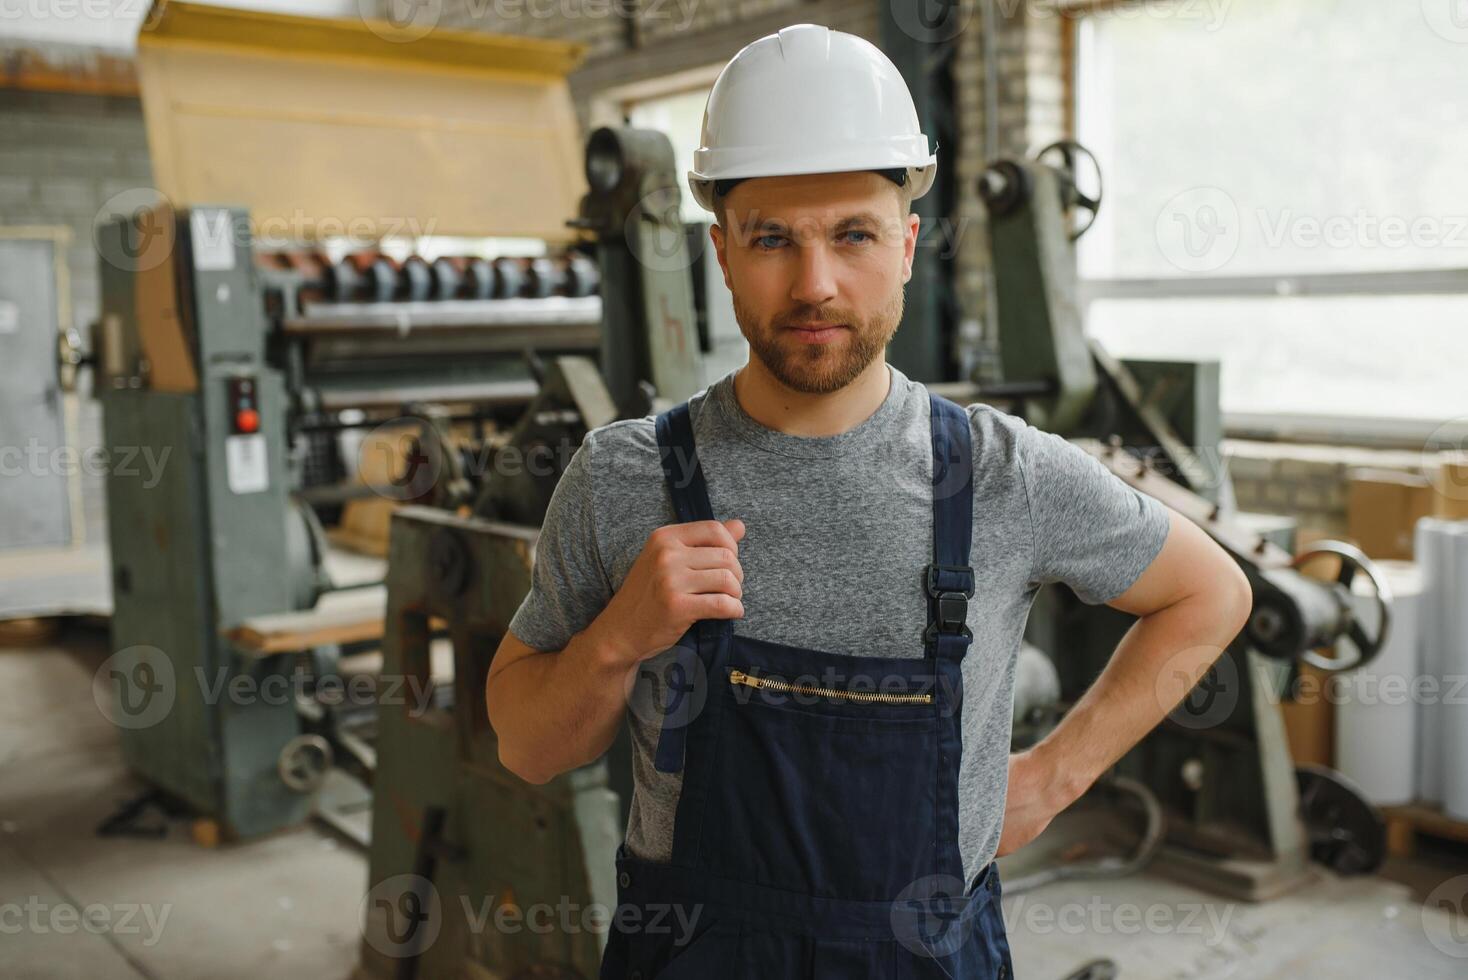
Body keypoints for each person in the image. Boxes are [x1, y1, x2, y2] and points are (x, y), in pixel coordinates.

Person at [486, 23, 1252, 979]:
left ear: (908, 245)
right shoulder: (622, 476)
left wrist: (1055, 777)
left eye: (853, 235)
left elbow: (1212, 593)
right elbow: (526, 749)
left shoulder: (1002, 475)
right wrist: (617, 639)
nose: (815, 285)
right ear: (720, 251)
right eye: (773, 239)